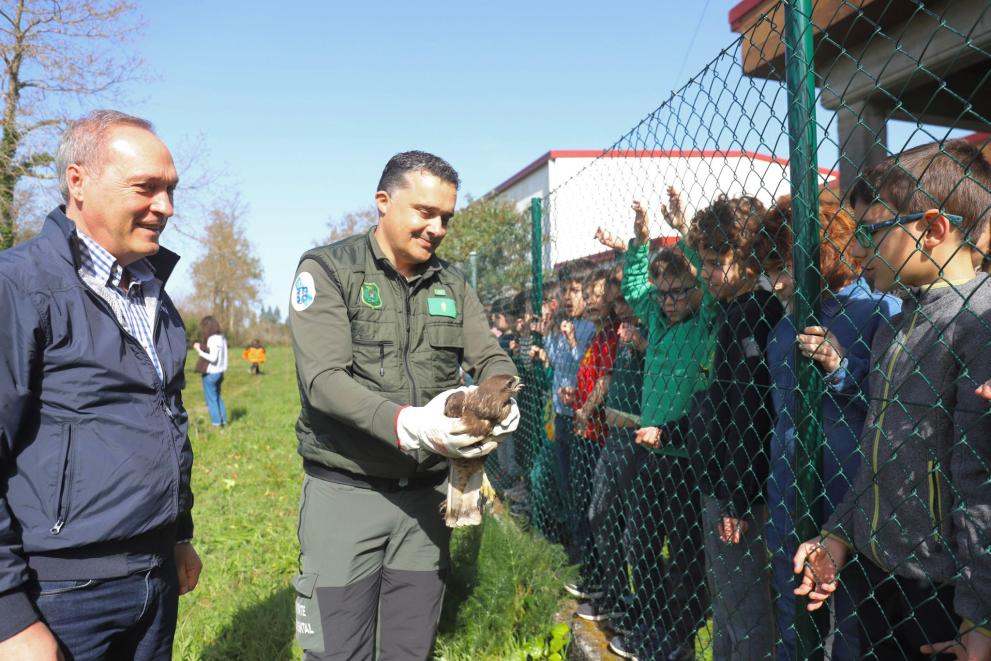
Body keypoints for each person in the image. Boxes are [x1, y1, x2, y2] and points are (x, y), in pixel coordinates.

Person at [288, 151, 519, 660]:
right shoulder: (328, 270)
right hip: (347, 492)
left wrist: (502, 394)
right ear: (383, 202)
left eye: (446, 218)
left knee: (409, 650)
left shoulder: (453, 284)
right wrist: (409, 424)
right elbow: (323, 380)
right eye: (424, 212)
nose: (436, 228)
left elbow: (490, 355)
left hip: (425, 504)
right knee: (336, 652)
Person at [0, 110, 201, 660]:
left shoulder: (152, 295)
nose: (166, 207)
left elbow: (166, 418)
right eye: (147, 188)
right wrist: (9, 617)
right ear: (78, 181)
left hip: (155, 578)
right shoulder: (18, 286)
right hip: (60, 594)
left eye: (171, 190)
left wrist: (177, 533)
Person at [794, 140, 991, 660]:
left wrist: (981, 619)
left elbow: (981, 486)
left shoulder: (979, 327)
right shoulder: (899, 323)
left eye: (870, 232)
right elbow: (879, 456)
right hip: (883, 574)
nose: (856, 250)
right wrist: (838, 534)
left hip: (946, 596)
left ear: (933, 229)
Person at [759, 197, 900, 661]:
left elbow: (899, 410)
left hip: (853, 501)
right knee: (794, 628)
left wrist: (842, 368)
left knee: (853, 634)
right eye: (770, 268)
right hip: (790, 497)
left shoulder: (885, 311)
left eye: (784, 265)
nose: (775, 281)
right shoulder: (784, 325)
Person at [662, 194, 783, 660]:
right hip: (723, 483)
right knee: (729, 607)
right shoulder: (734, 311)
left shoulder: (754, 315)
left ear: (750, 258)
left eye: (714, 262)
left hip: (739, 496)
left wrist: (738, 496)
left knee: (746, 611)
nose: (705, 274)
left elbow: (751, 415)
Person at [601, 198, 717, 661]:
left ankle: (681, 637)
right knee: (641, 542)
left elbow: (704, 279)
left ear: (694, 287)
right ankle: (651, 623)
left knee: (686, 555)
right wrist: (641, 239)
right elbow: (634, 285)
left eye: (677, 291)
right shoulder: (657, 321)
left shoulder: (703, 322)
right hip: (651, 454)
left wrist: (684, 230)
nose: (669, 301)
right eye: (663, 292)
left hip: (686, 456)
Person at [529, 263, 596, 571]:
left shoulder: (590, 326)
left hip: (583, 419)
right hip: (559, 414)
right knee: (557, 481)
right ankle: (564, 542)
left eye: (575, 291)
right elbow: (556, 367)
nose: (569, 297)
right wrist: (546, 348)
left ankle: (585, 554)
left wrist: (571, 343)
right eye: (565, 291)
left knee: (582, 487)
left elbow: (587, 367)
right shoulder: (561, 324)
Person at [194, 316, 229, 427]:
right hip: (220, 373)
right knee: (218, 397)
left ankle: (216, 424)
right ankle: (224, 421)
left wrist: (199, 350)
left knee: (211, 400)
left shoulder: (212, 339)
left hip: (211, 374)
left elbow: (213, 358)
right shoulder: (222, 338)